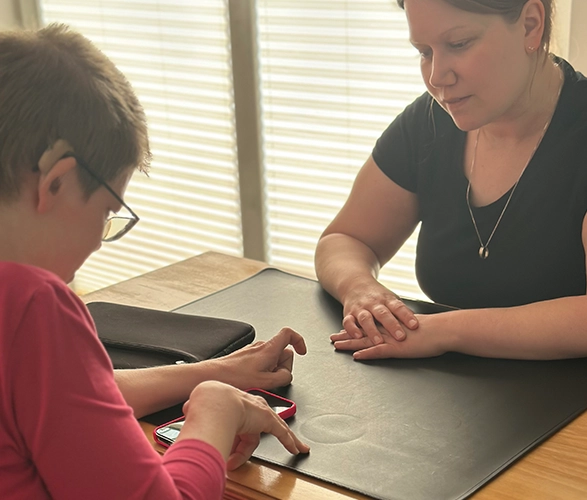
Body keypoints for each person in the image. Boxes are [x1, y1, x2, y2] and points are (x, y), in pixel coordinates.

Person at [0, 24, 309, 499]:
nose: (99, 245)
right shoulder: (32, 307)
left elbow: (68, 398)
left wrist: (216, 372)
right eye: (107, 212)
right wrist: (213, 413)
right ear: (57, 182)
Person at [315, 0, 587, 361]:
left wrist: (443, 331)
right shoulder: (429, 121)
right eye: (424, 52)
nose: (437, 77)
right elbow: (345, 239)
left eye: (458, 44)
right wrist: (360, 289)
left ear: (530, 25)